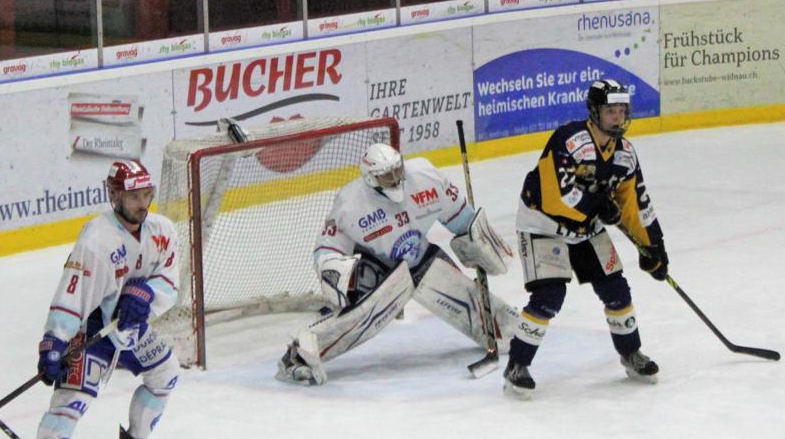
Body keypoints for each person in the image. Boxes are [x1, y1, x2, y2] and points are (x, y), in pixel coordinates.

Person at [15, 160, 181, 439]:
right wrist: (54, 343)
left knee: (165, 374)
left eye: (146, 195)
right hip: (91, 329)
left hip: (131, 326)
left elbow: (170, 283)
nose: (142, 203)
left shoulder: (163, 230)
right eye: (133, 196)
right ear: (114, 195)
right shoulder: (96, 239)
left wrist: (146, 295)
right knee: (71, 402)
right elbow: (72, 294)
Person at [276, 142, 519, 386]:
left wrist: (476, 239)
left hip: (421, 258)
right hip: (379, 269)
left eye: (397, 170)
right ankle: (297, 357)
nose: (395, 179)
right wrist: (331, 268)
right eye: (386, 176)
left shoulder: (425, 177)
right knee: (362, 320)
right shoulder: (350, 204)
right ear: (370, 178)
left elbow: (461, 217)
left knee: (495, 321)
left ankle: (514, 331)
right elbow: (327, 247)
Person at [502, 78, 668, 399]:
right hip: (542, 223)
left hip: (586, 227)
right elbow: (557, 195)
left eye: (622, 111)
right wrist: (597, 205)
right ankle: (518, 365)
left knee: (617, 290)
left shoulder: (625, 155)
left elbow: (634, 205)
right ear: (595, 112)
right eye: (610, 111)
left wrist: (654, 247)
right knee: (549, 298)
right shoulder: (570, 140)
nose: (617, 118)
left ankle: (631, 354)